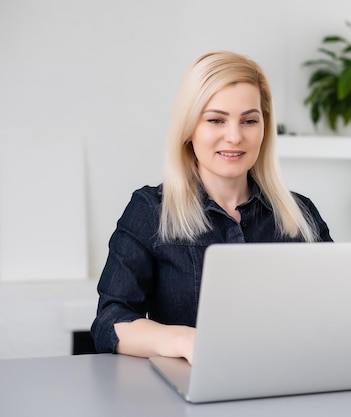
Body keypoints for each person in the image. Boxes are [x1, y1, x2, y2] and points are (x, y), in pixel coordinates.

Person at [91, 51, 333, 364]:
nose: (234, 136)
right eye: (216, 119)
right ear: (190, 128)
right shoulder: (150, 210)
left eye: (249, 120)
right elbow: (111, 322)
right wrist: (184, 340)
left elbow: (333, 307)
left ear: (264, 128)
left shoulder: (301, 213)